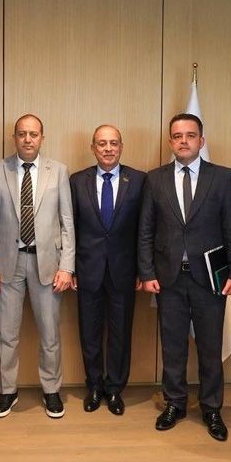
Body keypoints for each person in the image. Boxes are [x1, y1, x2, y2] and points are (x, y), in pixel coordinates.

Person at [138, 113, 231, 441]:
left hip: (210, 279)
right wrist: (146, 272)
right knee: (173, 347)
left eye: (190, 135)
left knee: (210, 347)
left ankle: (212, 408)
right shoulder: (154, 179)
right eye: (177, 136)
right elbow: (145, 231)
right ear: (170, 142)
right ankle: (176, 402)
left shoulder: (222, 177)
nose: (183, 141)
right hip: (168, 278)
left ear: (201, 140)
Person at [0, 114, 75, 419]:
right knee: (6, 333)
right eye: (22, 134)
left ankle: (51, 390)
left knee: (50, 333)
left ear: (42, 138)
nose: (28, 139)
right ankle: (8, 391)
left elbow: (67, 223)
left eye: (33, 134)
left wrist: (67, 267)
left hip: (48, 264)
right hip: (7, 265)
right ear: (14, 138)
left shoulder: (58, 171)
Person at [69, 125, 145, 415]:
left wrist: (143, 270)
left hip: (124, 272)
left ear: (121, 147)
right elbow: (71, 228)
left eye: (114, 143)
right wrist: (71, 268)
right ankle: (94, 386)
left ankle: (114, 389)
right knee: (89, 332)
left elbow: (144, 229)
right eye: (102, 143)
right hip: (87, 270)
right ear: (93, 148)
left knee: (120, 333)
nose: (108, 148)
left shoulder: (138, 180)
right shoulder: (77, 181)